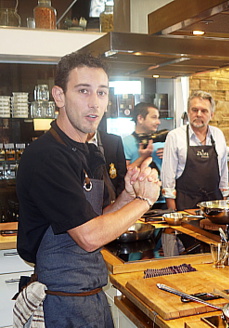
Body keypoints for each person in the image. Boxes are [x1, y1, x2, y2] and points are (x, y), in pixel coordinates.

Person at [15, 52, 160, 327]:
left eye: (102, 93)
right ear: (59, 96)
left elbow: (94, 218)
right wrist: (143, 202)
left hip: (91, 296)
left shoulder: (85, 151)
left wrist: (128, 196)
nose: (94, 103)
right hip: (63, 304)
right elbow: (89, 236)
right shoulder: (47, 157)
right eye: (83, 91)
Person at [161, 91, 229, 210]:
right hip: (185, 204)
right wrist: (174, 213)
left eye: (204, 111)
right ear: (188, 112)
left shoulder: (218, 135)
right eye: (194, 110)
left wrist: (223, 206)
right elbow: (168, 180)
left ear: (211, 114)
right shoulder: (175, 136)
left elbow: (223, 174)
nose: (198, 114)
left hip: (214, 204)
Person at [88, 129, 127, 207]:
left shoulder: (113, 141)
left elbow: (122, 176)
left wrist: (117, 203)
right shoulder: (67, 143)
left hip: (111, 204)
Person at [122, 102, 164, 170]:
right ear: (140, 118)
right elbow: (123, 172)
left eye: (158, 118)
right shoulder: (125, 143)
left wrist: (171, 154)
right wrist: (143, 157)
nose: (158, 122)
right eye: (154, 117)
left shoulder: (163, 140)